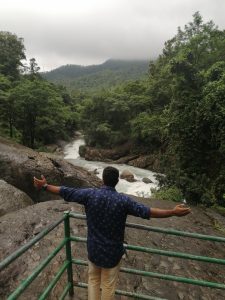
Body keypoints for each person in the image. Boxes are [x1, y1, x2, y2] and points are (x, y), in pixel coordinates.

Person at [34, 166, 191, 300]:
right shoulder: (123, 200)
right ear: (117, 181)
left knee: (93, 280)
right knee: (108, 285)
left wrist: (45, 186)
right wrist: (172, 212)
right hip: (112, 253)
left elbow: (66, 191)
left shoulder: (90, 194)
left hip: (93, 249)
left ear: (102, 179)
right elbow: (147, 212)